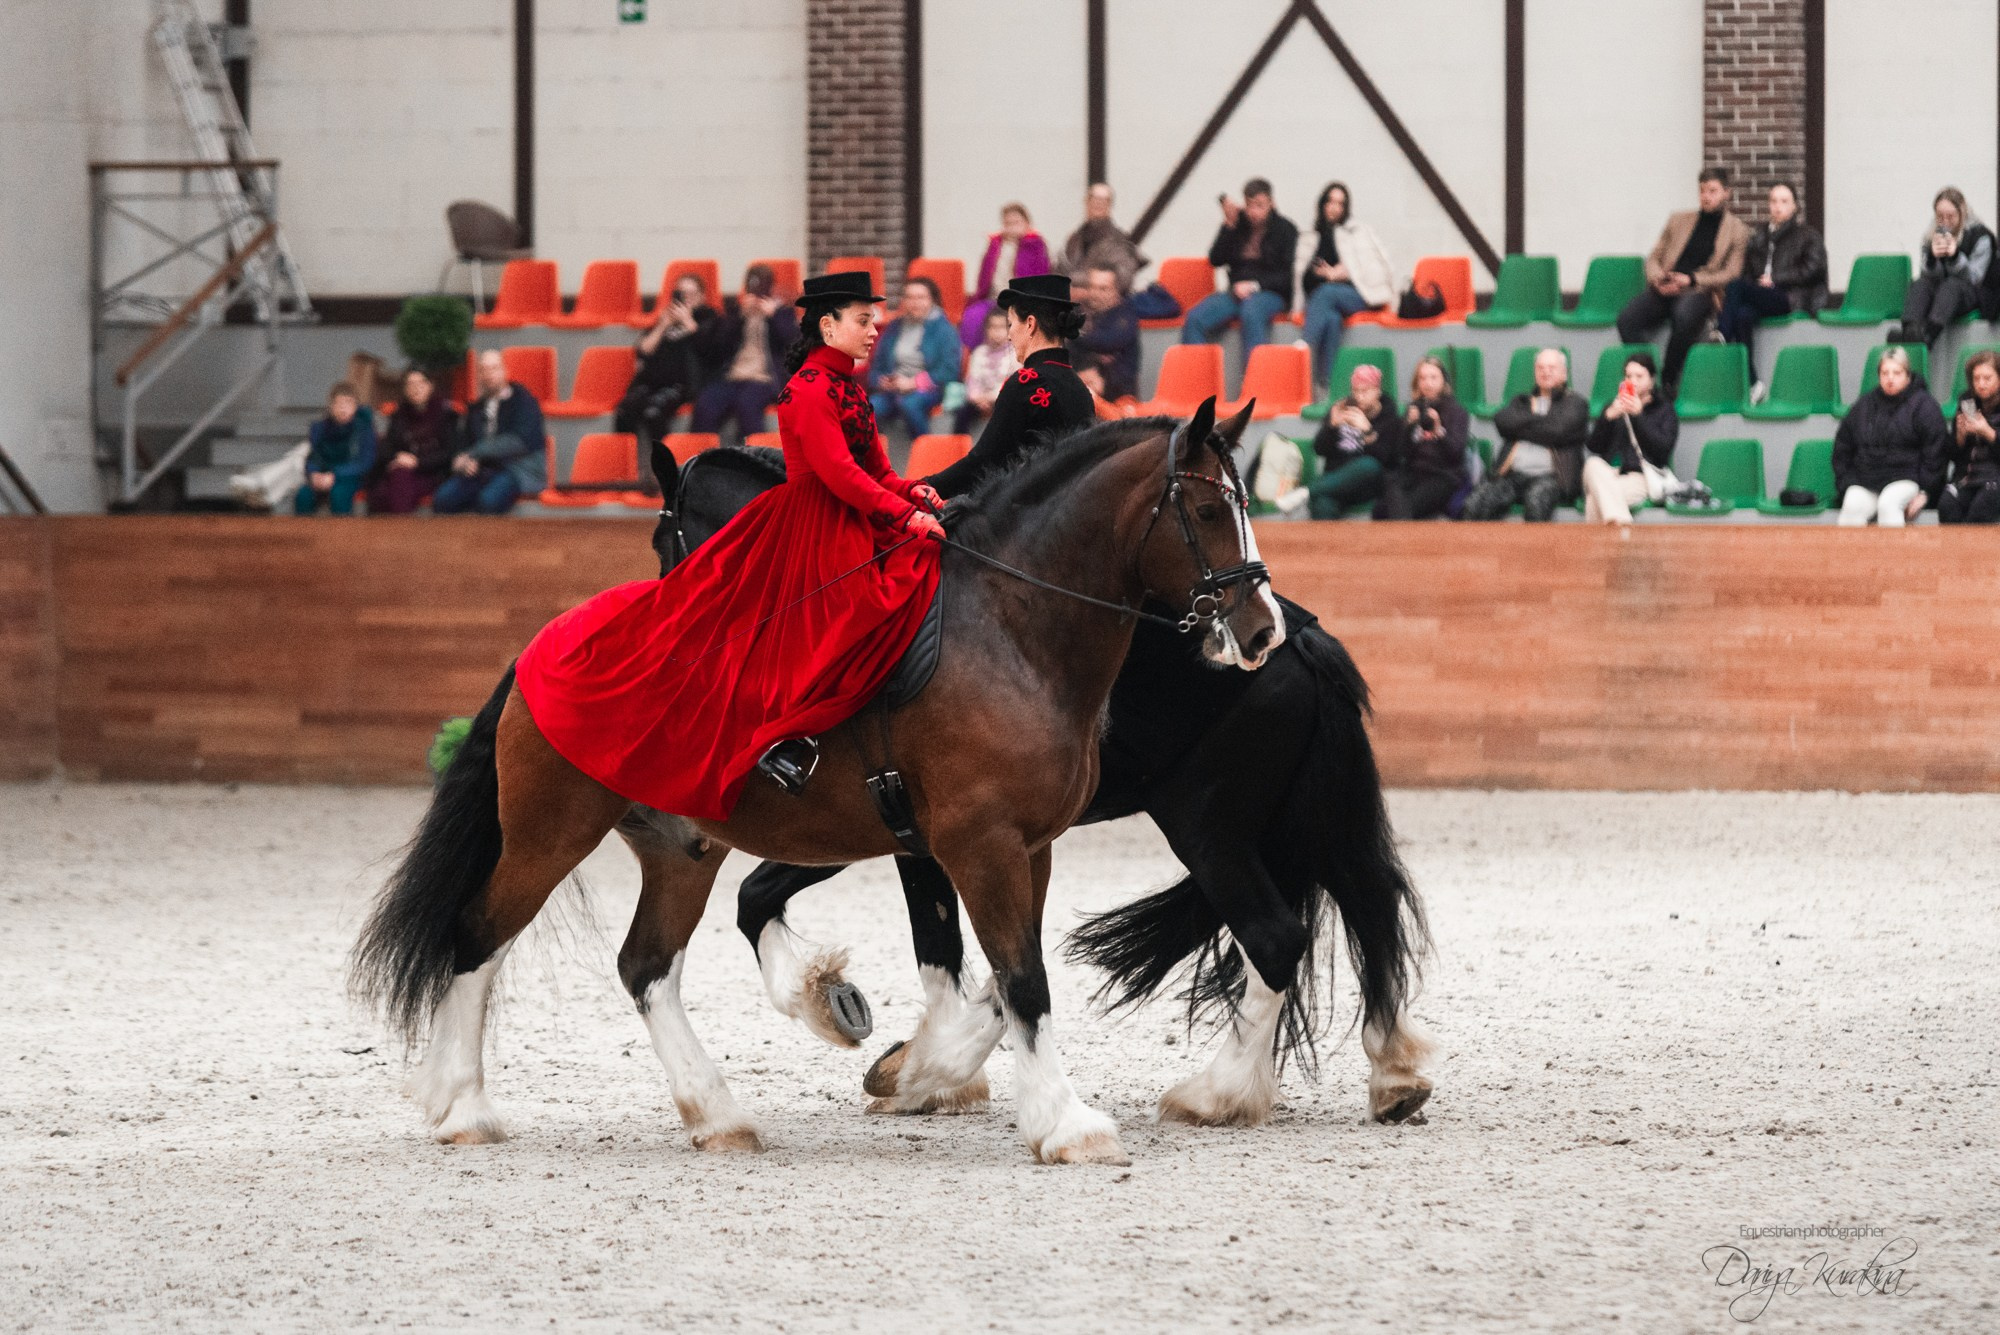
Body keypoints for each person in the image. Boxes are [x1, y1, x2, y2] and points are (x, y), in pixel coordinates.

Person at [512, 269, 945, 814]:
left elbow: (876, 471)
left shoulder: (851, 390)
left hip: (855, 517)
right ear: (829, 327)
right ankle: (781, 743)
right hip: (815, 526)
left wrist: (912, 490)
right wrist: (904, 515)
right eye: (864, 320)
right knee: (841, 617)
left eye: (874, 319)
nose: (875, 329)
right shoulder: (808, 389)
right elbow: (837, 473)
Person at [927, 273, 1094, 497]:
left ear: (1030, 324)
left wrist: (924, 487)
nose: (1008, 336)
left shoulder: (1027, 382)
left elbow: (984, 462)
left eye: (1011, 324)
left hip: (1031, 511)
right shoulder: (1079, 387)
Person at [1617, 168, 1750, 390]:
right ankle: (1647, 374)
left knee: (1684, 316)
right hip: (1666, 286)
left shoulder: (1737, 230)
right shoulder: (1678, 220)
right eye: (1702, 191)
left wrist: (1691, 280)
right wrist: (1658, 278)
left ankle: (1668, 379)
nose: (1706, 196)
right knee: (1627, 319)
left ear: (1726, 193)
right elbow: (1654, 257)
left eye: (1713, 191)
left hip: (1700, 289)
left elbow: (1732, 273)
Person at [1717, 183, 1829, 402]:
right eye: (1774, 201)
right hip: (1762, 295)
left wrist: (1776, 279)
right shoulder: (1760, 235)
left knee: (1735, 286)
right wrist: (1758, 284)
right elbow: (1748, 272)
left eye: (1784, 201)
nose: (1778, 207)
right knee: (1742, 315)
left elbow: (1813, 269)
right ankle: (1753, 384)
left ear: (1795, 206)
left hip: (1790, 297)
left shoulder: (1808, 236)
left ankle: (1722, 332)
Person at [1461, 348, 1589, 522]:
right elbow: (1502, 421)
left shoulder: (1576, 403)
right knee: (1474, 504)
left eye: (1551, 368)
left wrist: (1521, 427)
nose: (1545, 372)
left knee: (1536, 501)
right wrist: (1544, 424)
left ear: (1564, 373)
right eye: (1540, 368)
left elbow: (1558, 431)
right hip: (1512, 476)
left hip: (1553, 479)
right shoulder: (1522, 401)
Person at [1832, 346, 1948, 528]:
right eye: (1885, 373)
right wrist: (1846, 482)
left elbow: (1936, 453)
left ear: (1907, 375)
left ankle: (1895, 549)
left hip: (1907, 479)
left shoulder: (1925, 406)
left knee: (1889, 503)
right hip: (1866, 480)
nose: (1890, 378)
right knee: (1852, 505)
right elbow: (1842, 447)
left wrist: (1926, 492)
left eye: (1897, 373)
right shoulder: (1863, 405)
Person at [1299, 181, 1396, 396]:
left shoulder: (1358, 232)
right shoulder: (1312, 236)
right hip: (1327, 302)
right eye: (1331, 202)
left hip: (1361, 296)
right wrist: (1322, 274)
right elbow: (1303, 280)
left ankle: (1302, 349)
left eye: (1340, 203)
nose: (1335, 208)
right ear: (1322, 204)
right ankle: (1326, 386)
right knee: (1332, 319)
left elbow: (1377, 268)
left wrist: (1346, 272)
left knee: (1327, 292)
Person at [1181, 177, 1299, 354]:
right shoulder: (1238, 225)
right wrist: (1229, 225)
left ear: (1271, 203)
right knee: (1194, 319)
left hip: (1270, 293)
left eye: (1260, 205)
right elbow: (1215, 259)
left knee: (1251, 311)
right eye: (1249, 205)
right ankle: (1198, 371)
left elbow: (1288, 276)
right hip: (1235, 292)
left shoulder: (1286, 229)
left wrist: (1254, 285)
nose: (1253, 212)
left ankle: (1256, 372)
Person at [690, 264, 799, 442]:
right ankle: (701, 455)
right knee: (706, 404)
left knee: (747, 405)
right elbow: (719, 345)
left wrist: (774, 315)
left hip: (763, 379)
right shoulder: (735, 312)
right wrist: (739, 318)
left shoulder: (783, 313)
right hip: (732, 377)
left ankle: (753, 456)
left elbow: (793, 342)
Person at [435, 349, 546, 515]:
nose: (489, 375)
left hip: (517, 470)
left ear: (505, 371)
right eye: (484, 370)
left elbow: (518, 442)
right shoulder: (476, 408)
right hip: (483, 469)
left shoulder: (524, 402)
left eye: (494, 368)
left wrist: (473, 453)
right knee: (443, 500)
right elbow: (464, 443)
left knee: (488, 502)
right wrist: (463, 462)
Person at [616, 271, 715, 452]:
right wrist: (663, 325)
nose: (687, 299)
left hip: (681, 384)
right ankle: (624, 462)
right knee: (625, 410)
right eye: (682, 294)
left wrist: (688, 323)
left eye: (692, 294)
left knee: (653, 412)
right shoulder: (665, 319)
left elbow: (710, 351)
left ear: (702, 297)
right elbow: (644, 350)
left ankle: (665, 465)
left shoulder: (708, 318)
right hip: (650, 381)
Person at [1286, 363, 1398, 519]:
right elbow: (1319, 449)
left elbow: (1388, 459)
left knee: (1369, 465)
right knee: (1322, 504)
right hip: (1336, 481)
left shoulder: (1389, 417)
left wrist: (1367, 431)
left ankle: (1306, 492)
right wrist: (1331, 427)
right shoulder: (1342, 408)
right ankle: (1315, 504)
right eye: (1356, 390)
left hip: (1367, 485)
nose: (1359, 396)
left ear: (1377, 391)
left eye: (1365, 391)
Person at [1580, 351, 1679, 526]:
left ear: (1652, 380)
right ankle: (1623, 526)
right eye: (1628, 376)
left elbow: (1662, 450)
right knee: (1592, 463)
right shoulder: (1613, 406)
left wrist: (1638, 416)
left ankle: (1609, 539)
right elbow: (1594, 446)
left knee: (1594, 501)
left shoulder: (1663, 409)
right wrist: (1607, 418)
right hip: (1609, 473)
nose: (1632, 381)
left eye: (1639, 376)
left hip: (1640, 476)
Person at [1893, 187, 1997, 348]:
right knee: (1920, 284)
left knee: (1951, 286)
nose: (1945, 221)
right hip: (1941, 291)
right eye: (1940, 216)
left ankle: (1929, 335)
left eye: (1950, 216)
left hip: (1972, 293)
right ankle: (1910, 332)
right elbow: (1927, 275)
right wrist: (1932, 258)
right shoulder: (1931, 235)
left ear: (1962, 213)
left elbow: (1975, 278)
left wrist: (1955, 258)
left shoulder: (1980, 236)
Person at [1376, 356, 1469, 521]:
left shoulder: (1456, 411)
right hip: (1415, 473)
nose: (1428, 383)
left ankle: (1403, 529)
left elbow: (1456, 453)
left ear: (1444, 381)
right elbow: (1401, 453)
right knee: (1380, 508)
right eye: (1423, 378)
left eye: (1433, 377)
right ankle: (1404, 525)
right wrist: (1408, 427)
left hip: (1443, 476)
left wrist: (1438, 431)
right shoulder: (1413, 409)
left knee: (1404, 507)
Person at [868, 276, 961, 439]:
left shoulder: (944, 330)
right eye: (909, 297)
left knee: (910, 403)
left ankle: (927, 449)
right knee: (869, 407)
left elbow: (949, 370)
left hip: (929, 389)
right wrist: (882, 381)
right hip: (895, 388)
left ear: (932, 300)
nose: (914, 303)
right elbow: (877, 365)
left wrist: (913, 383)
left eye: (920, 297)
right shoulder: (894, 326)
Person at [366, 367, 458, 515]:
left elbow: (449, 452)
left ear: (430, 386)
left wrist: (417, 462)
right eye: (410, 384)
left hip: (433, 472)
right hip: (403, 472)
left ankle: (401, 525)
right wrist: (398, 457)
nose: (416, 389)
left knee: (396, 485)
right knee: (382, 491)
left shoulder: (445, 413)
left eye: (420, 383)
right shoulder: (399, 414)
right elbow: (387, 447)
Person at [961, 202, 1051, 347]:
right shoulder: (994, 245)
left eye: (1016, 222)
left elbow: (1042, 277)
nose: (1012, 227)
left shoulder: (1036, 246)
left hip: (1022, 301)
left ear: (1027, 223)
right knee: (972, 316)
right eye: (1008, 223)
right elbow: (983, 277)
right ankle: (977, 355)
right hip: (993, 298)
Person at [292, 381, 376, 516]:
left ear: (355, 406)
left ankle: (342, 529)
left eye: (348, 403)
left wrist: (335, 475)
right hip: (323, 475)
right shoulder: (321, 428)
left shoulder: (363, 429)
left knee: (339, 494)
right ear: (331, 406)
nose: (343, 408)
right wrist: (314, 473)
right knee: (304, 495)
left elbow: (365, 463)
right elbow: (313, 456)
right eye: (339, 403)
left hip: (351, 477)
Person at [1054, 181, 1147, 295]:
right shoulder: (1075, 238)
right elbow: (1060, 270)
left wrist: (1082, 284)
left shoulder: (1119, 241)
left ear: (1110, 205)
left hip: (1102, 302)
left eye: (1104, 200)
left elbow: (1123, 279)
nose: (1098, 204)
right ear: (1086, 202)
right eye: (1094, 198)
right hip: (1070, 300)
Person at [1941, 349, 2000, 524]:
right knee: (1947, 504)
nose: (1981, 384)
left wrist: (1987, 432)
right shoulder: (1967, 401)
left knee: (1981, 509)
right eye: (1976, 379)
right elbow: (1953, 454)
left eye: (1987, 378)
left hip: (1995, 477)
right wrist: (1960, 436)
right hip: (1968, 476)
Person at [1071, 264, 1140, 402]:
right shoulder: (1079, 311)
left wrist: (1072, 333)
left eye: (1103, 288)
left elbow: (1106, 341)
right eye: (1091, 287)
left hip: (1119, 396)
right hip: (1083, 386)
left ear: (1117, 291)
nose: (1095, 294)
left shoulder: (1125, 315)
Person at [955, 307, 1018, 435]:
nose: (996, 332)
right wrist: (977, 397)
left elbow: (1012, 383)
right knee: (962, 413)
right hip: (979, 399)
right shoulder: (979, 352)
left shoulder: (1015, 354)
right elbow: (973, 379)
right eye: (992, 327)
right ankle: (959, 443)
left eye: (1001, 327)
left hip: (1003, 398)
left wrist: (991, 397)